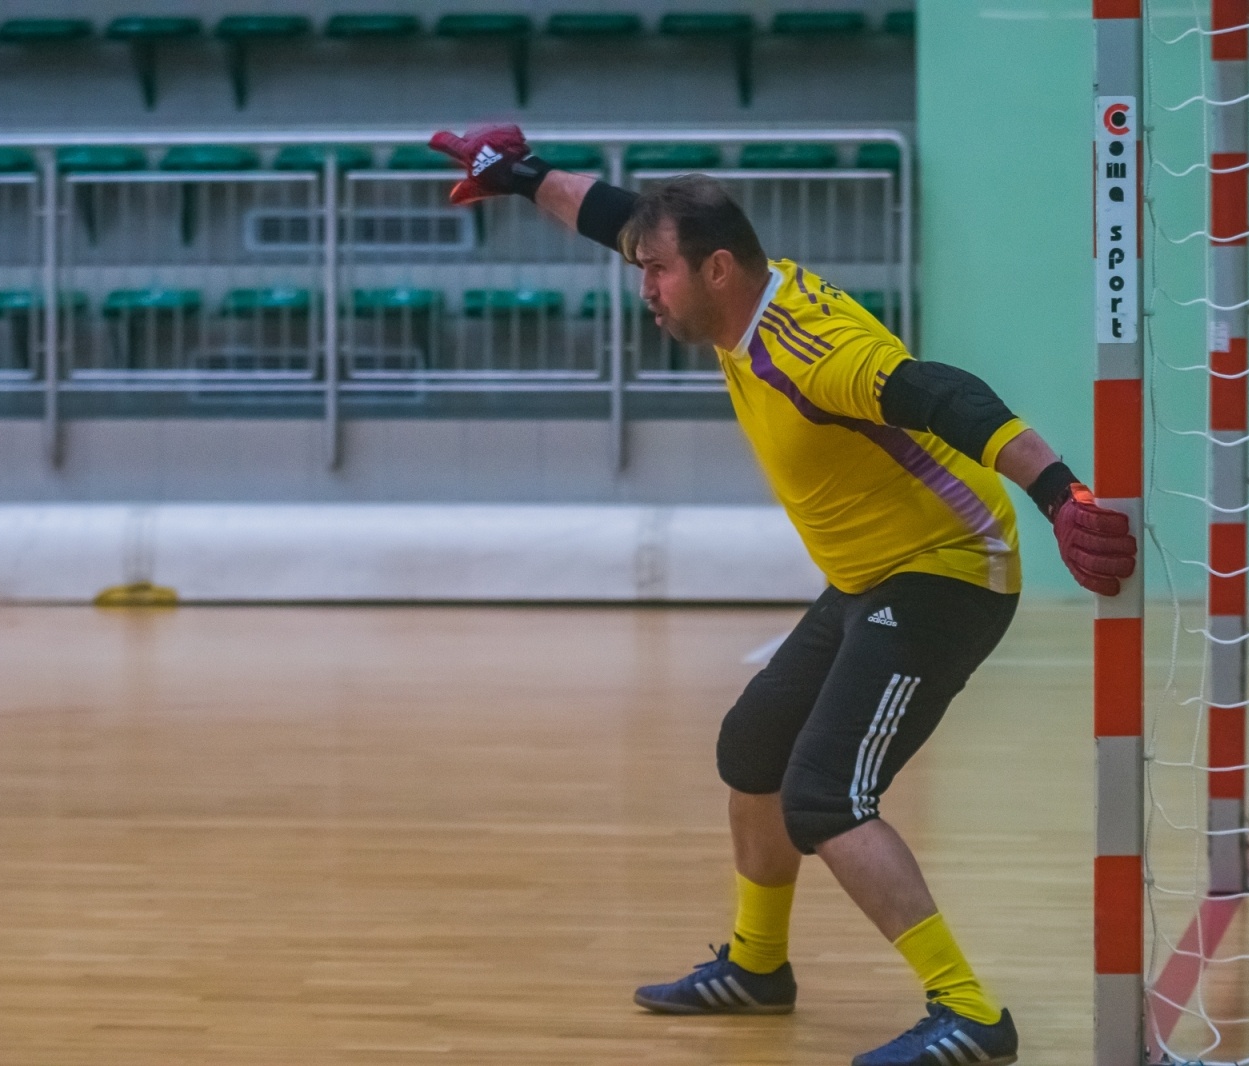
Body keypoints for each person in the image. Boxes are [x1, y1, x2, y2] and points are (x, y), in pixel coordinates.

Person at [428, 125, 1137, 1066]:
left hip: (947, 571)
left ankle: (969, 1014)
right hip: (865, 575)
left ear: (718, 269)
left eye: (659, 273)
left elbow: (946, 395)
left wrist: (1059, 493)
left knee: (827, 796)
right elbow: (612, 217)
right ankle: (758, 967)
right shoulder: (734, 298)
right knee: (752, 748)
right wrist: (521, 177)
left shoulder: (810, 348)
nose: (645, 287)